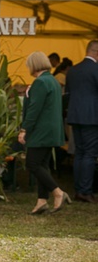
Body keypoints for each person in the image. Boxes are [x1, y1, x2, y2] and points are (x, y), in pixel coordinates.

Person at [18, 52, 70, 214]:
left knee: (32, 164)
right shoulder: (53, 80)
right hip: (53, 130)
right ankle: (42, 200)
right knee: (42, 165)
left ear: (33, 65)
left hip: (41, 131)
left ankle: (58, 193)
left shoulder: (40, 82)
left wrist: (24, 129)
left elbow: (34, 109)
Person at [65, 39, 98, 203]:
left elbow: (68, 93)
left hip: (75, 116)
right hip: (92, 117)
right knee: (90, 154)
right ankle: (85, 191)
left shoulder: (72, 70)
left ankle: (78, 189)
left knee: (79, 152)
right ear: (96, 52)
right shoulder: (96, 69)